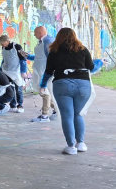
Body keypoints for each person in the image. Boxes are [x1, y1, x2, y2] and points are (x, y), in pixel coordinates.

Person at [40, 27, 95, 155]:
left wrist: (43, 84)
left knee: (67, 115)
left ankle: (71, 146)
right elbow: (91, 67)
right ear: (74, 36)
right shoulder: (83, 49)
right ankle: (81, 143)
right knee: (78, 114)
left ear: (58, 37)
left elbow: (48, 71)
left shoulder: (54, 51)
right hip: (83, 85)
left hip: (62, 84)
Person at [29, 26, 56, 123]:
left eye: (35, 33)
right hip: (40, 70)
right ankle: (56, 110)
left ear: (40, 32)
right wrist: (28, 56)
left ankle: (45, 115)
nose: (34, 35)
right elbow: (40, 56)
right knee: (46, 92)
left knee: (44, 92)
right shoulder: (42, 42)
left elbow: (51, 58)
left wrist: (49, 72)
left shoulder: (48, 41)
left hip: (44, 71)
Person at [0, 34, 27, 113]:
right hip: (6, 71)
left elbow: (23, 58)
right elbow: (4, 60)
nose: (1, 45)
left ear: (7, 41)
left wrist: (23, 71)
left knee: (18, 89)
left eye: (2, 43)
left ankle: (20, 105)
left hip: (16, 71)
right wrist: (0, 69)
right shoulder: (3, 48)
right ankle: (13, 105)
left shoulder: (17, 46)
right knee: (10, 89)